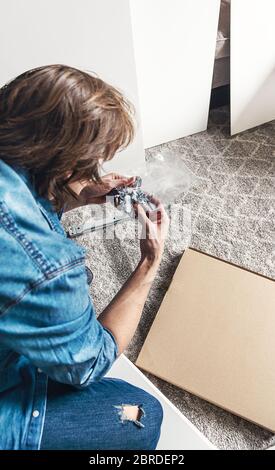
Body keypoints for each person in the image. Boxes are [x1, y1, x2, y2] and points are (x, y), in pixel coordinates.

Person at [0, 65, 169, 450]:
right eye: (95, 161)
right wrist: (148, 264)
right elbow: (87, 363)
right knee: (140, 414)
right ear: (62, 164)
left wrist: (71, 192)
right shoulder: (48, 266)